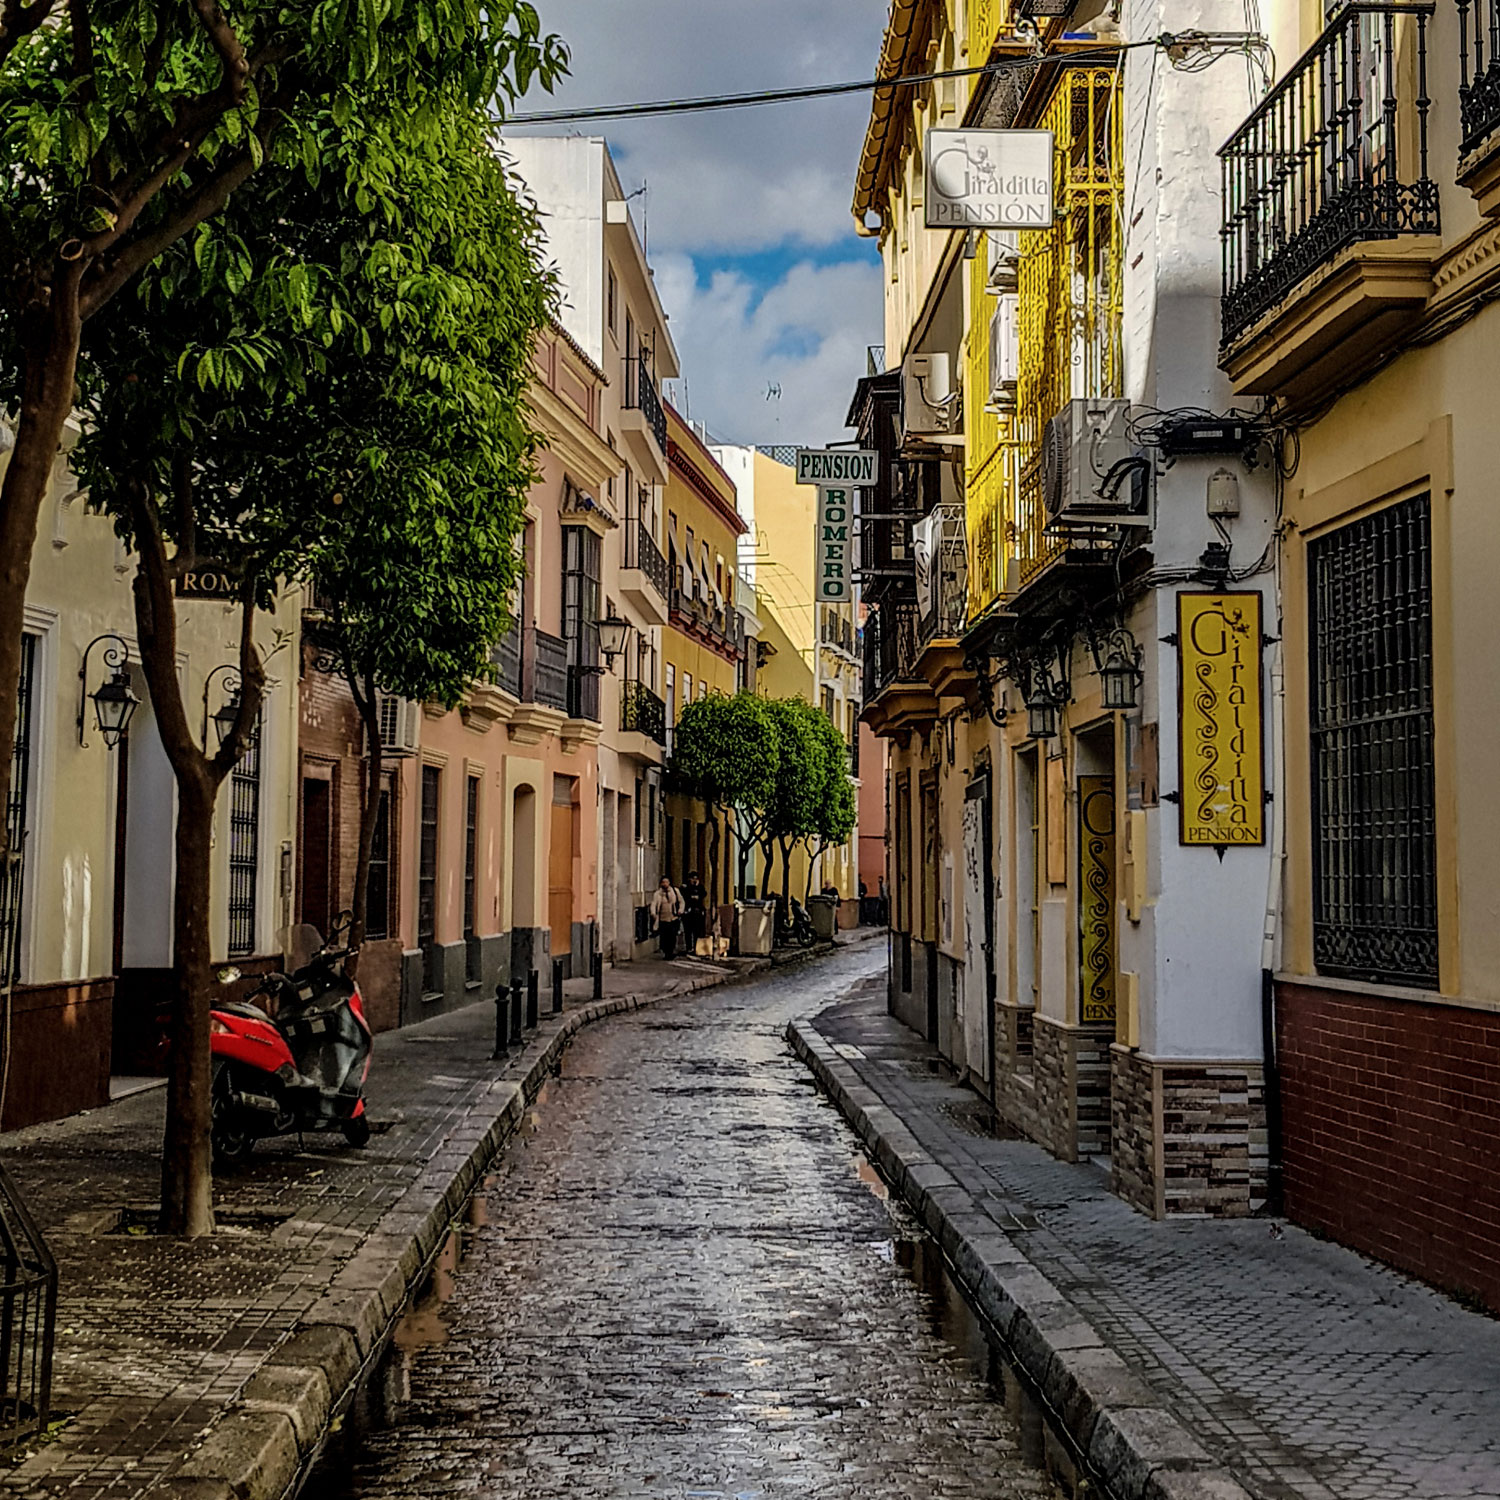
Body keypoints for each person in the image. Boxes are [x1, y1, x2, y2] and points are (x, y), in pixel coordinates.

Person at [650, 876, 684, 959]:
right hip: (662, 918)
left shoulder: (675, 891)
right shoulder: (658, 894)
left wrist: (680, 910)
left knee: (672, 936)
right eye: (663, 882)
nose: (665, 884)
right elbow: (654, 904)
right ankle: (666, 952)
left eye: (666, 882)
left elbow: (681, 901)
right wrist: (653, 913)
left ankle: (671, 951)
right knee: (664, 936)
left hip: (673, 917)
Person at [682, 871, 706, 956]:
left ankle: (696, 947)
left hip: (697, 912)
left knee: (697, 931)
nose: (694, 880)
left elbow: (703, 893)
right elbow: (684, 895)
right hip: (688, 912)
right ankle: (689, 947)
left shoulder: (700, 887)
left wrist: (697, 887)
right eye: (693, 879)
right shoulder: (686, 887)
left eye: (696, 879)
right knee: (688, 931)